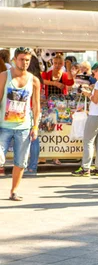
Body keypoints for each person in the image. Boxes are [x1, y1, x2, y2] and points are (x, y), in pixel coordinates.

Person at [0, 47, 40, 201]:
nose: (24, 63)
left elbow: (36, 106)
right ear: (15, 59)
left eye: (27, 60)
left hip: (23, 127)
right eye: (22, 59)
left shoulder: (34, 80)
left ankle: (14, 191)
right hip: (4, 126)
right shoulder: (4, 76)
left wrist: (35, 126)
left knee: (21, 162)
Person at [72, 61, 98, 177]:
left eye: (94, 73)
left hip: (96, 114)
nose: (93, 75)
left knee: (88, 141)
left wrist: (87, 94)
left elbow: (95, 100)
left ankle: (85, 168)